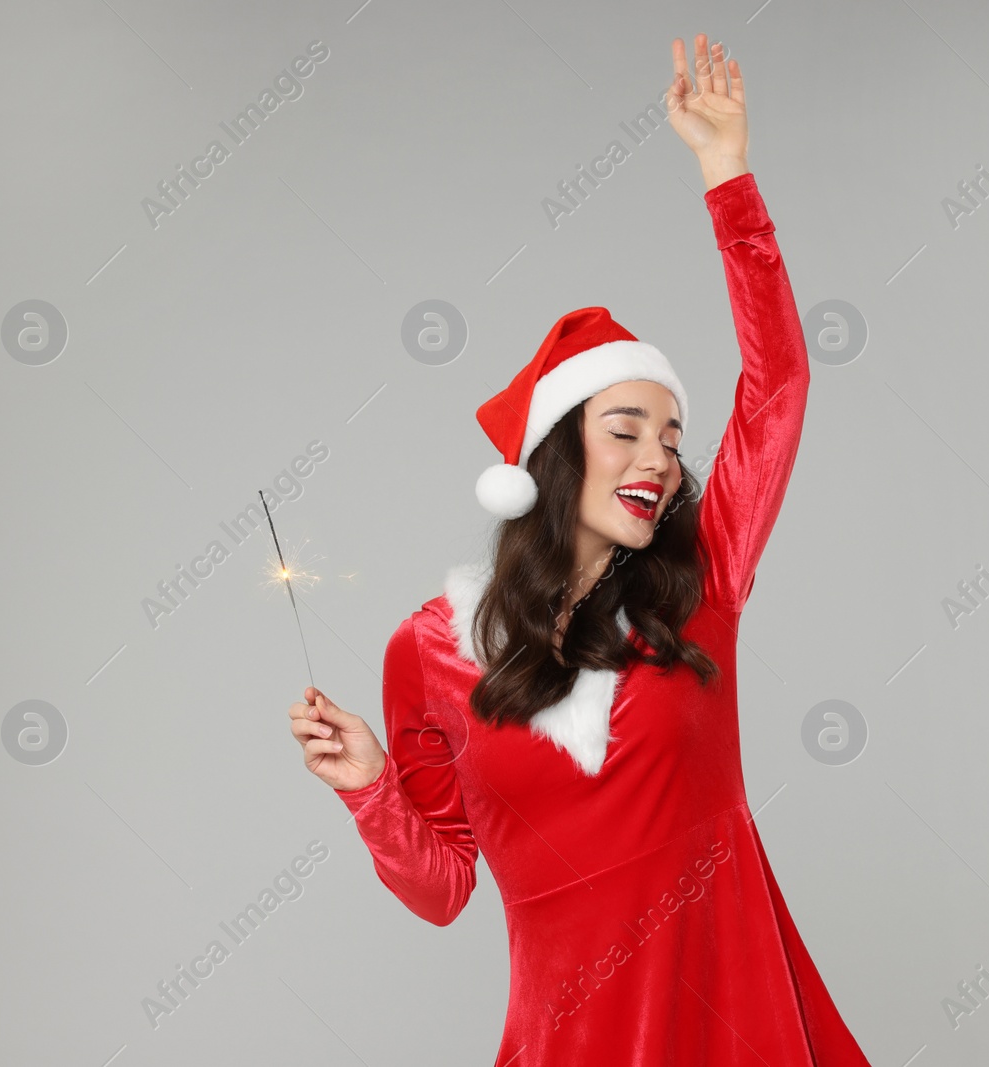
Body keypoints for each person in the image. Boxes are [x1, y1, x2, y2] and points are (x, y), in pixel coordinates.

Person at [287, 33, 873, 1066]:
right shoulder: (430, 646)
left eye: (673, 434)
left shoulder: (705, 579)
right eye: (626, 428)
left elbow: (777, 383)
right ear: (554, 455)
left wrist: (726, 178)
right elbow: (442, 888)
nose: (659, 456)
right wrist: (368, 781)